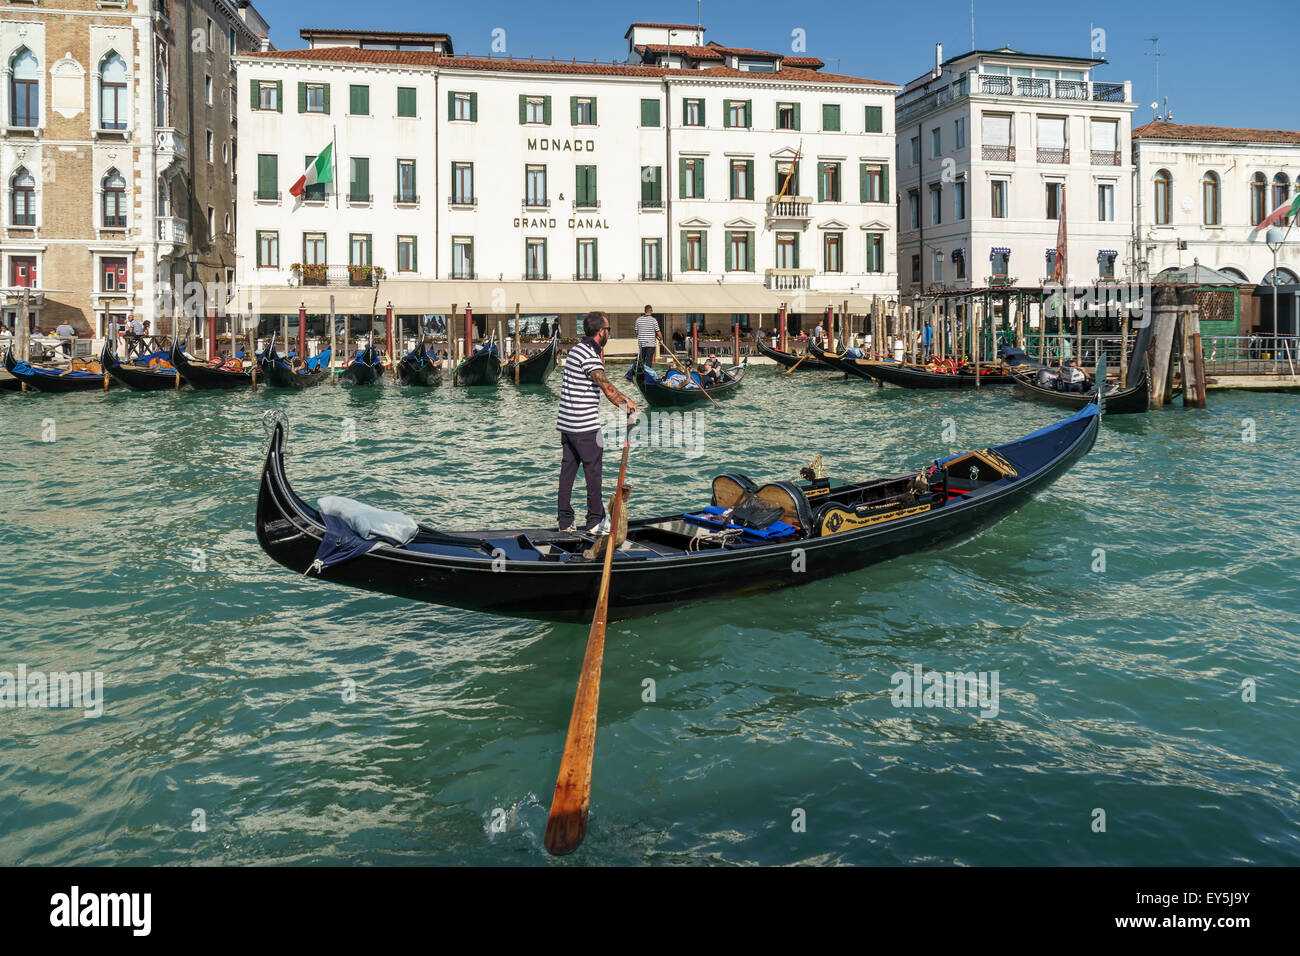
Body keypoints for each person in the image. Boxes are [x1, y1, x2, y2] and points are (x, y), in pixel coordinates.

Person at [557, 311, 638, 535]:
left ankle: (565, 521)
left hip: (567, 423)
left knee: (568, 473)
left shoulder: (575, 351)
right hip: (584, 425)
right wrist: (628, 405)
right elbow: (607, 387)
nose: (609, 334)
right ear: (601, 331)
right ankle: (595, 521)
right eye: (608, 330)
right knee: (594, 473)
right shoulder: (589, 356)